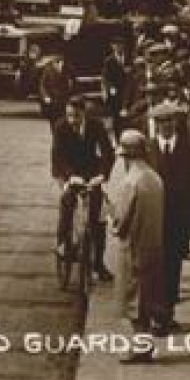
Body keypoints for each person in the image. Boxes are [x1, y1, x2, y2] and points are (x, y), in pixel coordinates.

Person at [109, 130, 166, 364]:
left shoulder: (130, 181)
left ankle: (141, 346)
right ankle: (146, 345)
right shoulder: (155, 178)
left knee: (134, 302)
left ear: (125, 156)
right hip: (153, 247)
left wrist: (111, 214)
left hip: (132, 248)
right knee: (147, 299)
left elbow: (121, 222)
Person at [146, 95, 190, 332]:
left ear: (175, 123)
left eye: (169, 121)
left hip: (178, 219)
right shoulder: (148, 149)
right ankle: (157, 314)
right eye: (161, 122)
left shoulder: (188, 149)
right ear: (156, 125)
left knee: (173, 266)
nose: (165, 126)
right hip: (154, 219)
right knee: (155, 266)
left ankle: (167, 312)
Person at [51, 94, 115, 281]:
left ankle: (99, 263)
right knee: (67, 201)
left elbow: (107, 153)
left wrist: (102, 175)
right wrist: (70, 177)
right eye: (69, 115)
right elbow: (58, 156)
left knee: (99, 215)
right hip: (67, 171)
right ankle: (63, 243)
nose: (72, 120)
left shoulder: (96, 126)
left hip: (91, 172)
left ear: (84, 113)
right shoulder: (60, 127)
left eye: (76, 116)